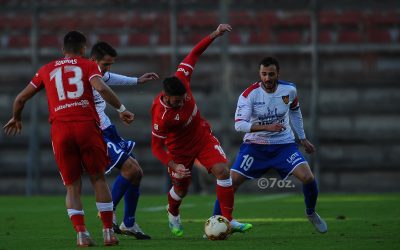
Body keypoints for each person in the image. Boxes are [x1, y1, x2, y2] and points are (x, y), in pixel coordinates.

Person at [3, 31, 135, 247]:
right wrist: (121, 109)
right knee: (98, 179)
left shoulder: (46, 69)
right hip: (87, 127)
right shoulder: (88, 65)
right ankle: (108, 233)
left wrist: (16, 118)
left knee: (72, 186)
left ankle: (81, 235)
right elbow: (101, 87)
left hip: (61, 130)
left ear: (63, 49)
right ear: (83, 49)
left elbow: (20, 99)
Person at [151, 24, 252, 237]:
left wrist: (214, 34)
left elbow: (194, 53)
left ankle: (229, 220)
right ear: (165, 96)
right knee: (181, 190)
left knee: (223, 171)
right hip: (178, 150)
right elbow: (156, 147)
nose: (180, 104)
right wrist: (173, 164)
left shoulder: (182, 79)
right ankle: (172, 212)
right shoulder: (161, 116)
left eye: (182, 100)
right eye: (176, 102)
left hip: (201, 137)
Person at [212, 57, 328, 234]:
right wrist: (267, 127)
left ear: (278, 74)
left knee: (308, 177)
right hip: (255, 147)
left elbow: (295, 111)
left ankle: (311, 213)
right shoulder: (248, 95)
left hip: (284, 146)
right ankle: (215, 224)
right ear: (260, 74)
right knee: (230, 182)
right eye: (264, 74)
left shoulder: (289, 90)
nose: (267, 78)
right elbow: (239, 125)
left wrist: (303, 139)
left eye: (271, 74)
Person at [89, 41, 158, 239]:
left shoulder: (99, 73)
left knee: (137, 172)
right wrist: (121, 109)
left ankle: (129, 223)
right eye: (105, 64)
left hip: (108, 128)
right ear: (93, 60)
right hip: (96, 131)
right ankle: (109, 211)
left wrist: (137, 81)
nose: (108, 69)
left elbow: (112, 79)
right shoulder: (86, 75)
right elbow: (104, 87)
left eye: (111, 64)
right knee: (132, 169)